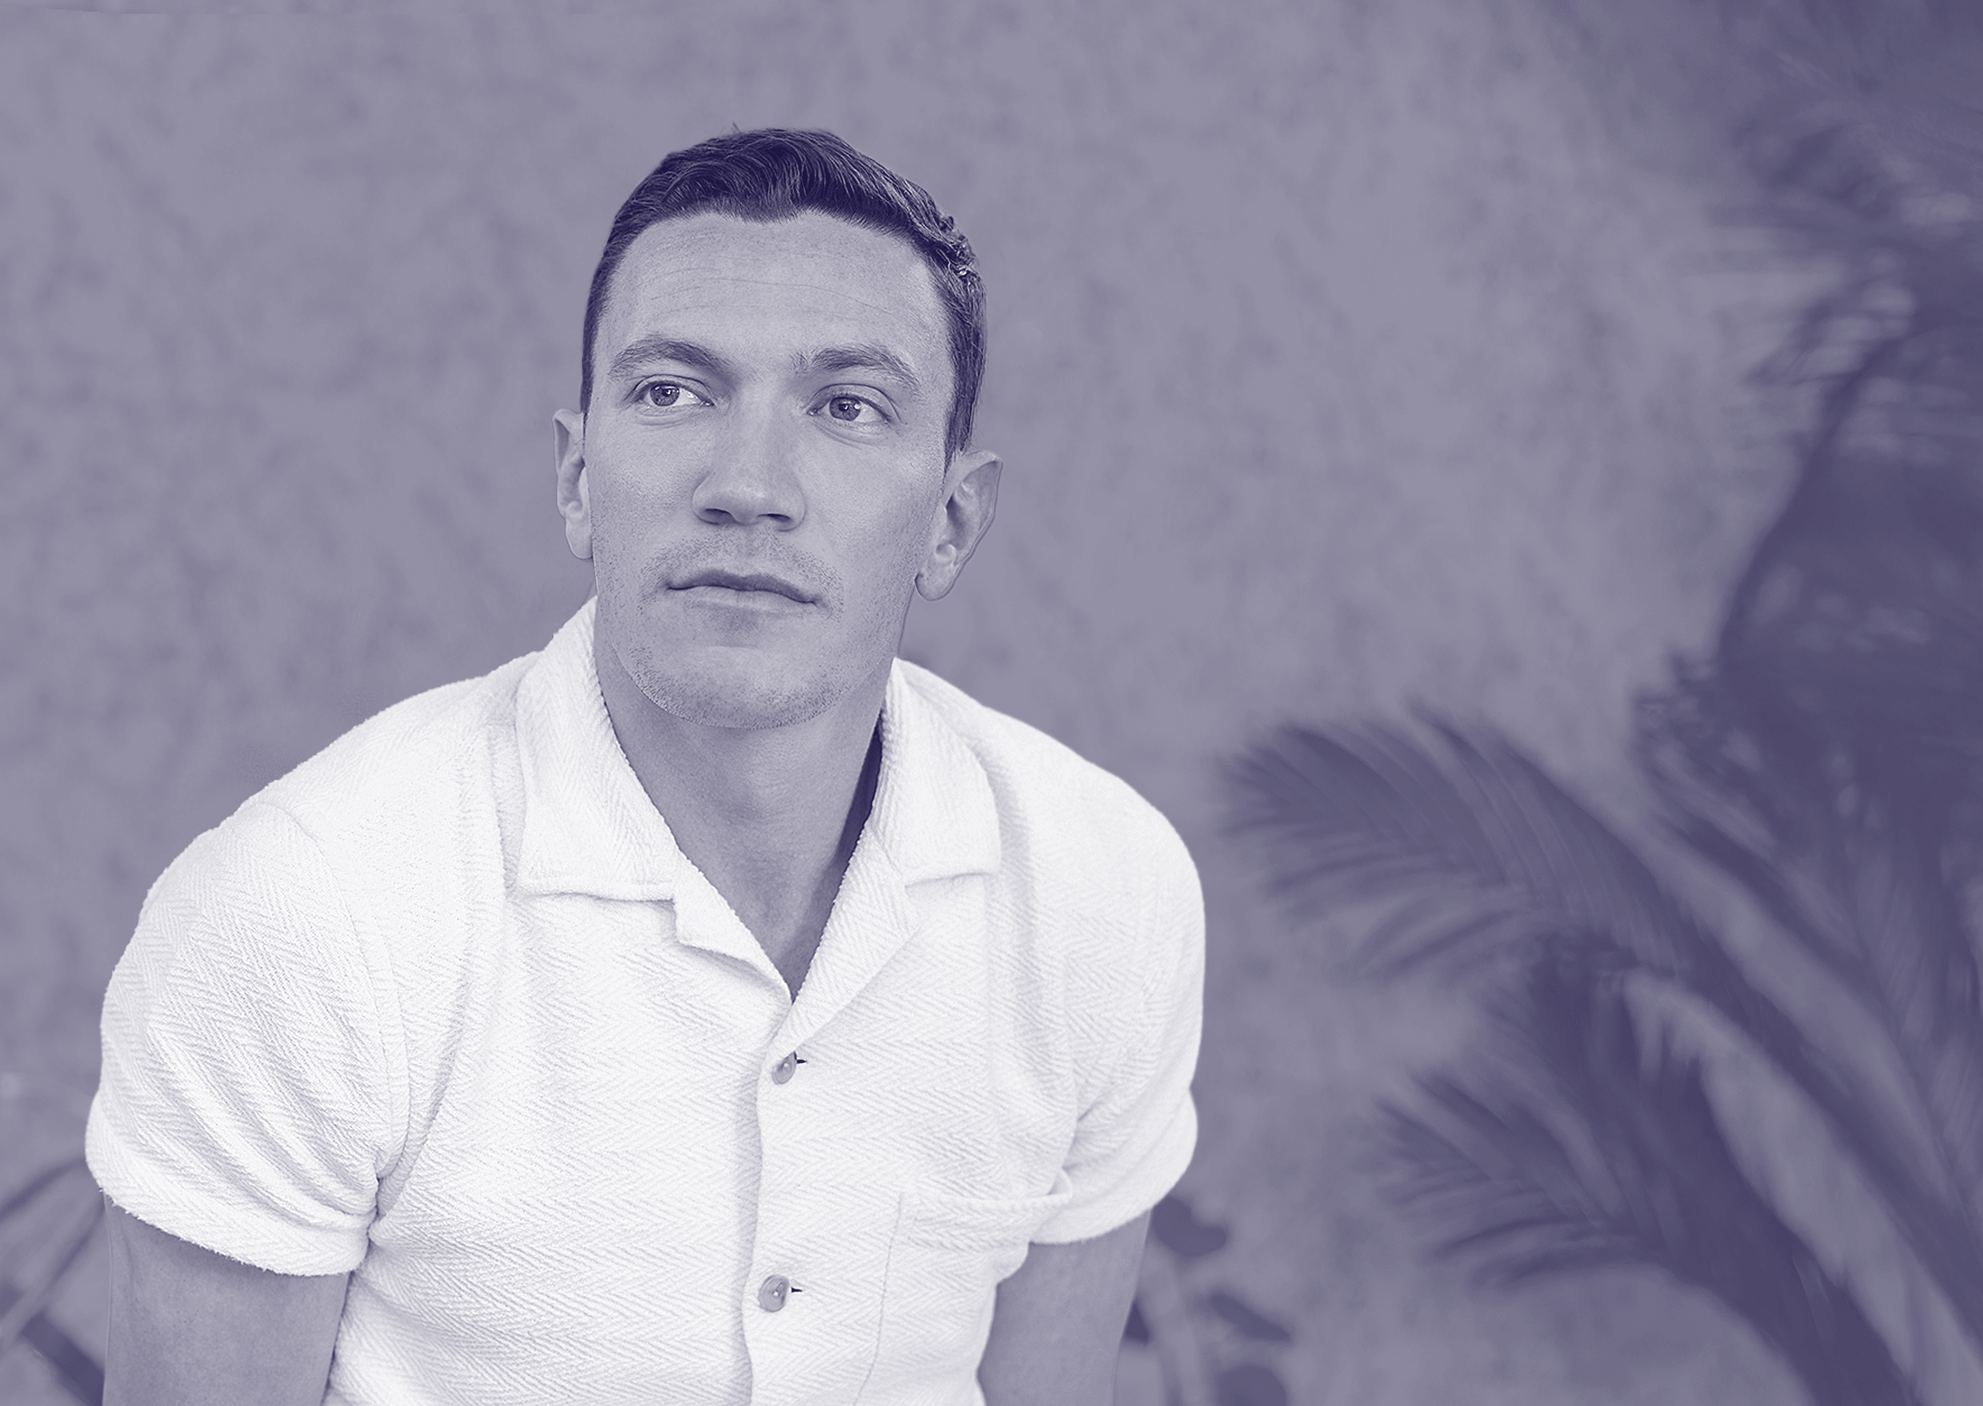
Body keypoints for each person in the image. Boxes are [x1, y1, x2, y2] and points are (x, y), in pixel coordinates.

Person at [86, 127, 1205, 1406]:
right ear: (576, 477)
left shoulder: (1105, 888)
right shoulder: (306, 917)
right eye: (674, 391)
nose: (748, 484)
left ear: (950, 520)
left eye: (848, 406)